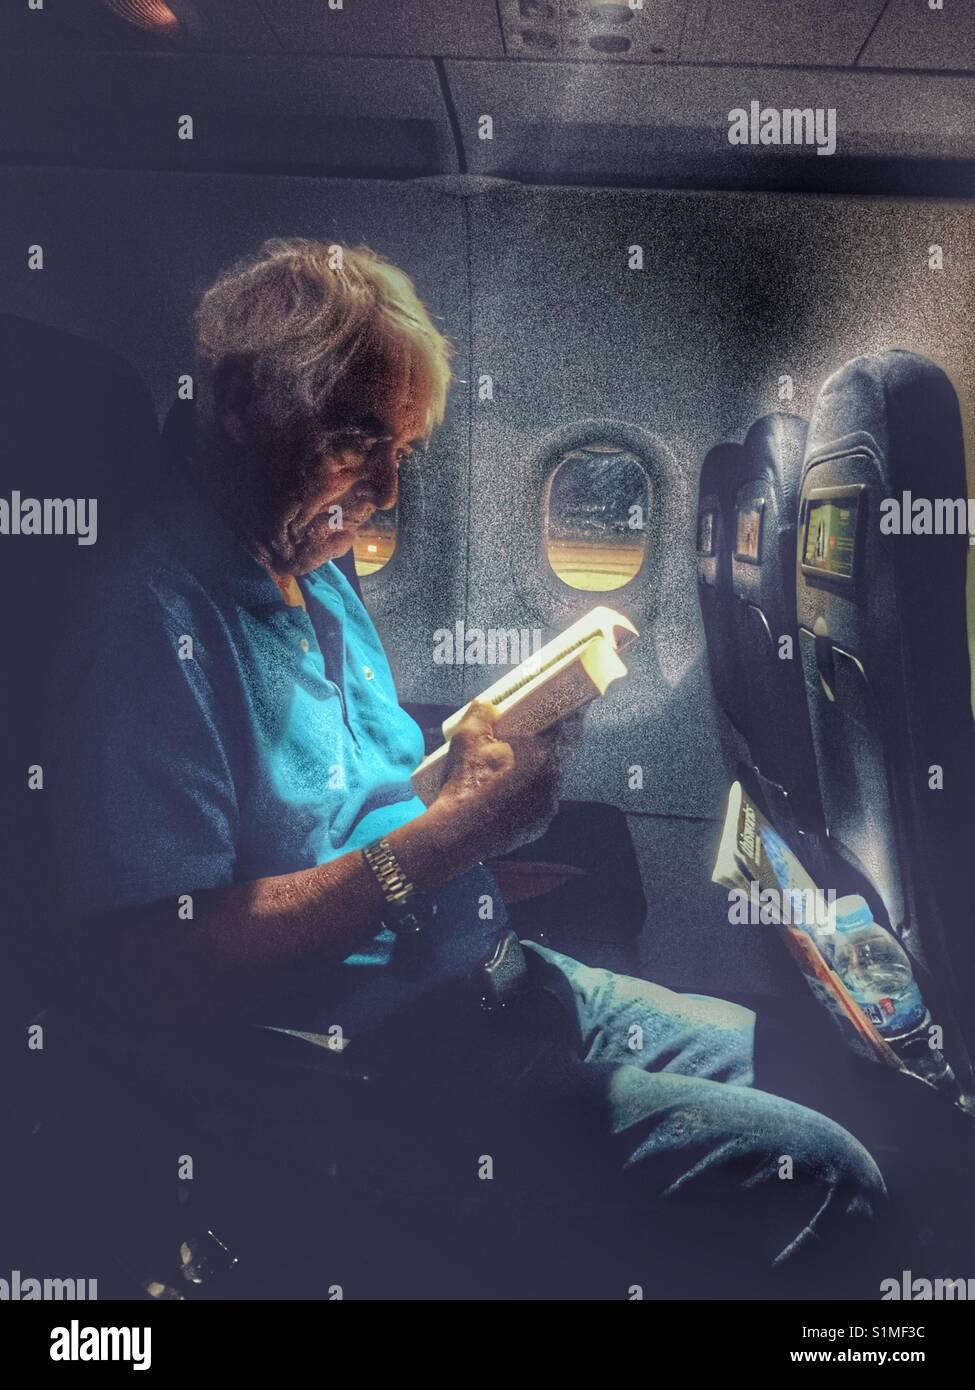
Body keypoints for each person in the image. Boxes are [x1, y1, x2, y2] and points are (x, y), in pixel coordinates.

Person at [44, 238, 889, 1299]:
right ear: (246, 406)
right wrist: (450, 842)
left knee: (824, 1069)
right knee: (827, 1178)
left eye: (407, 450)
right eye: (359, 438)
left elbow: (357, 806)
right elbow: (147, 972)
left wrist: (472, 789)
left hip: (505, 993)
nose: (389, 488)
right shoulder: (148, 622)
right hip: (371, 1082)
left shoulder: (310, 559)